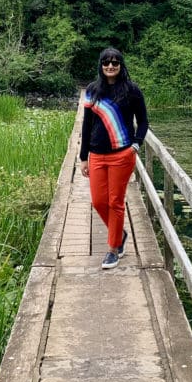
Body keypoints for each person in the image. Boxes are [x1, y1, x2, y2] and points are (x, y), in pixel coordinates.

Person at [79, 47, 149, 270]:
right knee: (99, 201)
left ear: (121, 65)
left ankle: (113, 250)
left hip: (122, 154)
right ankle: (120, 234)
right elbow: (86, 124)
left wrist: (136, 145)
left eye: (115, 62)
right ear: (101, 65)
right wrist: (83, 157)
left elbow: (144, 122)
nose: (110, 66)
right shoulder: (92, 90)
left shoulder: (131, 91)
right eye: (106, 62)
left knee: (115, 202)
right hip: (97, 155)